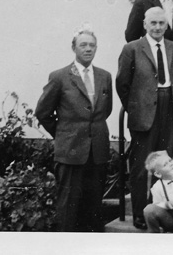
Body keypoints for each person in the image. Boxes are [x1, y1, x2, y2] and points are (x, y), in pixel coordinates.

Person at [34, 29, 113, 232]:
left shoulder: (105, 76)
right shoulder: (60, 77)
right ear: (73, 48)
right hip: (70, 151)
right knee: (68, 208)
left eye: (92, 45)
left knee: (93, 208)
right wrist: (63, 133)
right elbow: (43, 112)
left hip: (97, 152)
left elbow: (106, 110)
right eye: (83, 45)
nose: (88, 49)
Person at [116, 7, 173, 230]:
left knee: (165, 163)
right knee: (141, 166)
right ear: (145, 24)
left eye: (161, 23)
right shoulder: (132, 49)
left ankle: (158, 211)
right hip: (144, 113)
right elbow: (122, 84)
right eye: (153, 23)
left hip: (170, 110)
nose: (157, 27)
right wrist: (135, 109)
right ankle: (139, 213)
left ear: (167, 25)